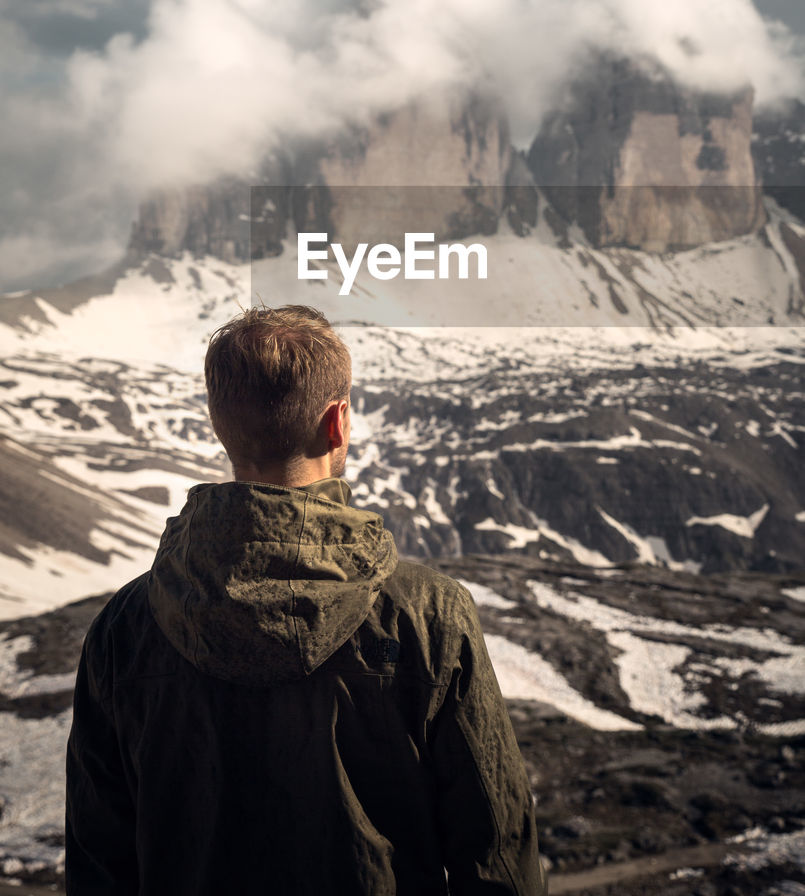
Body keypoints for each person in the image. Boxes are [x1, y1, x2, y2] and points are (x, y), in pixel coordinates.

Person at [65, 304, 547, 895]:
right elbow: (495, 850)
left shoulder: (124, 626)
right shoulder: (429, 611)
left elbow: (99, 860)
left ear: (220, 425)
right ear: (337, 423)